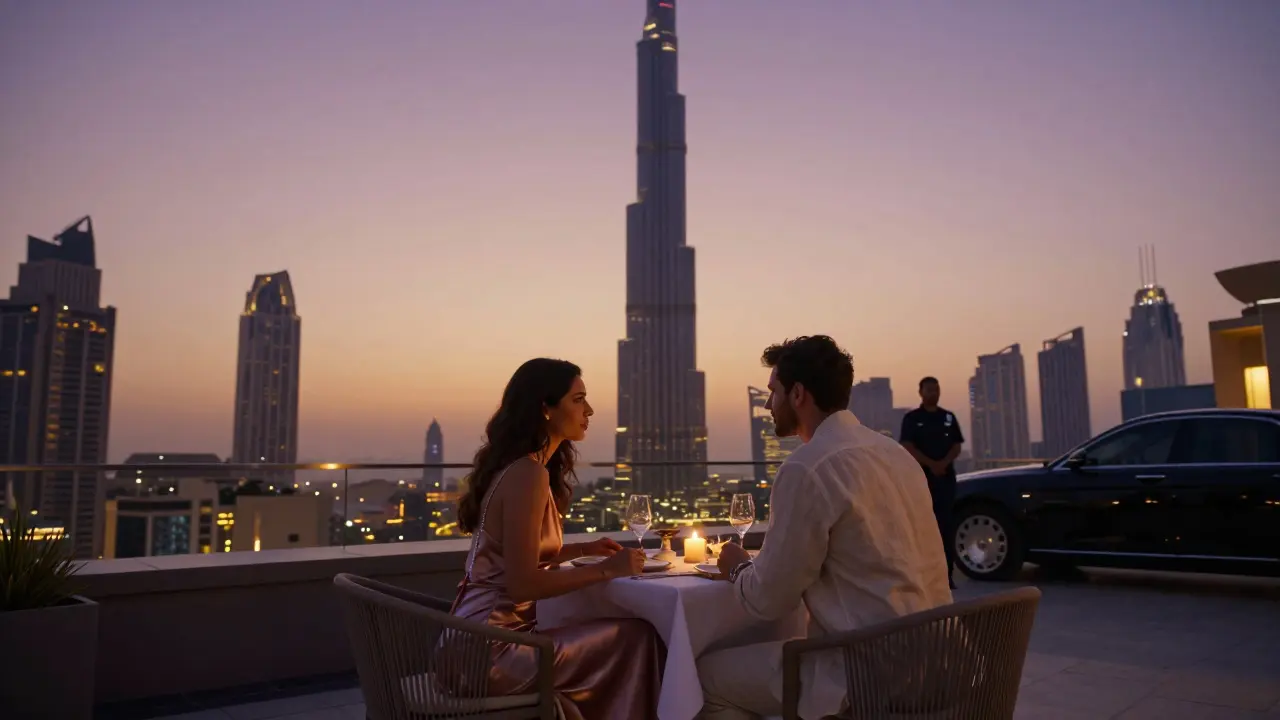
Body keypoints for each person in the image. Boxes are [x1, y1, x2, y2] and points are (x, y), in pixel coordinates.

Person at [702, 337, 952, 720]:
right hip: (938, 662)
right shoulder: (896, 456)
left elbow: (769, 600)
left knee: (701, 679)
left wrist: (735, 565)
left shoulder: (808, 467)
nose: (768, 405)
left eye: (774, 392)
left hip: (866, 674)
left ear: (798, 394)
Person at [448, 358, 663, 720]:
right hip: (491, 652)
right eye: (579, 399)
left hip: (466, 641)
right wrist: (608, 570)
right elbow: (521, 584)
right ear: (545, 408)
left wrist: (583, 550)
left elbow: (516, 557)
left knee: (619, 637)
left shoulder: (522, 469)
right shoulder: (528, 475)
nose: (589, 410)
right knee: (639, 638)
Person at [899, 376, 965, 589]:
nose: (933, 393)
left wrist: (943, 463)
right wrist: (930, 464)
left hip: (945, 481)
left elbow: (956, 445)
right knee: (921, 527)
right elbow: (907, 446)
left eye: (936, 389)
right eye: (929, 390)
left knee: (945, 527)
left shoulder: (948, 417)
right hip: (921, 481)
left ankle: (947, 575)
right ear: (921, 392)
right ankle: (923, 575)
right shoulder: (912, 418)